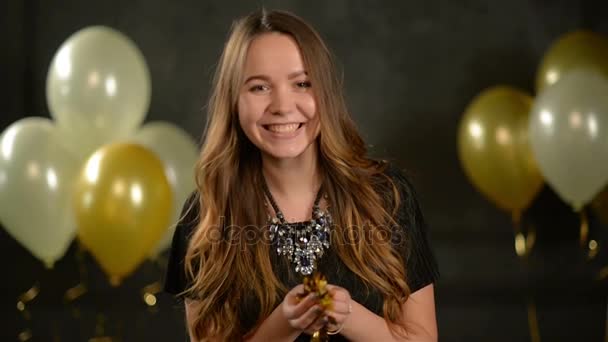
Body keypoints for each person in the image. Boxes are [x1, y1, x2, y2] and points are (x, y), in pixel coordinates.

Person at [164, 8, 439, 342]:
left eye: (302, 83)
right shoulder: (205, 216)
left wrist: (349, 315)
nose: (282, 105)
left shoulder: (388, 196)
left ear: (324, 92)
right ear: (233, 100)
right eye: (259, 87)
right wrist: (285, 322)